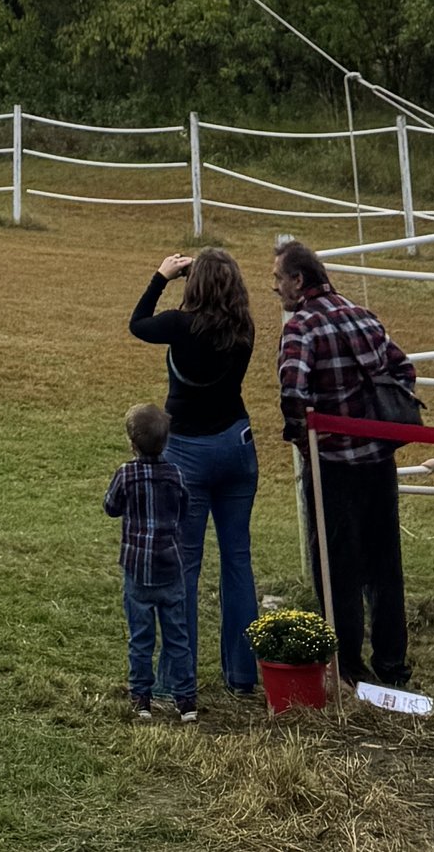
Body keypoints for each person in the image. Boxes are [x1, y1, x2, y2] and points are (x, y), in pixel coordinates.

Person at [272, 239, 416, 692]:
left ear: (298, 280)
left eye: (278, 278)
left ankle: (349, 663)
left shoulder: (301, 328)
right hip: (378, 460)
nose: (274, 287)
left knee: (337, 566)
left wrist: (305, 436)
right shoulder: (363, 315)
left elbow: (293, 396)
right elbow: (403, 369)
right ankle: (392, 662)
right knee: (384, 563)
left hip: (332, 462)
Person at [128, 247, 261, 697]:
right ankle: (243, 675)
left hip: (187, 450)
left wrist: (162, 275)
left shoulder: (178, 326)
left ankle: (176, 680)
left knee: (185, 564)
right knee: (237, 560)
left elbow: (138, 323)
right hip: (237, 444)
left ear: (194, 284)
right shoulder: (244, 328)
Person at [104, 401, 196, 719]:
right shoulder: (176, 475)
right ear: (165, 441)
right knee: (177, 636)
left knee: (141, 636)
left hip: (137, 569)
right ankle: (186, 700)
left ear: (132, 442)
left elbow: (111, 506)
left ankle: (141, 697)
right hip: (171, 568)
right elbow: (185, 509)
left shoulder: (125, 475)